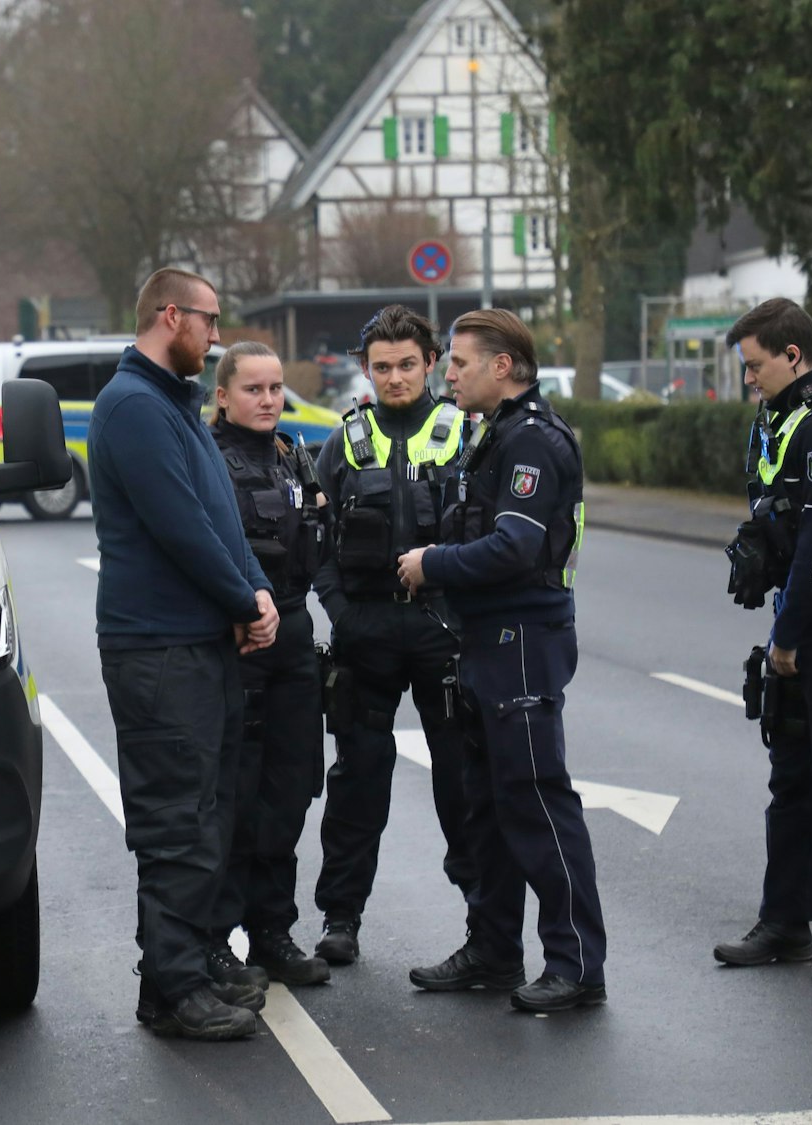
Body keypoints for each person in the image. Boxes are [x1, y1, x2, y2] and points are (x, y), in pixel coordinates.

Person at [89, 267, 281, 1042]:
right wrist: (244, 600)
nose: (216, 335)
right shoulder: (134, 406)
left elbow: (221, 519)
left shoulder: (172, 404)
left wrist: (256, 590)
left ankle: (196, 958)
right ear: (171, 316)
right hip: (159, 650)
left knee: (208, 814)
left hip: (197, 646)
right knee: (175, 822)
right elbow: (180, 528)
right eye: (209, 320)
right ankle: (171, 990)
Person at [398, 308, 607, 1013]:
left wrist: (432, 563)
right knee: (486, 805)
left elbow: (514, 547)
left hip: (524, 636)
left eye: (457, 362)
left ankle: (576, 964)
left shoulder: (532, 443)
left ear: (504, 366)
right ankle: (491, 949)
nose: (446, 373)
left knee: (536, 800)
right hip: (488, 638)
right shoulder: (491, 435)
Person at [307, 305, 474, 967]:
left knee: (463, 783)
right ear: (366, 369)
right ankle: (340, 918)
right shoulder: (343, 441)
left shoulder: (466, 432)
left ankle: (483, 922)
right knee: (357, 784)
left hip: (444, 634)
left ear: (431, 363)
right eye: (382, 367)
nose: (396, 378)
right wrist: (342, 613)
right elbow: (313, 539)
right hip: (367, 633)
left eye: (408, 365)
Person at [715, 298, 812, 978]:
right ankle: (784, 922)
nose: (750, 379)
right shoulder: (775, 420)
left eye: (755, 366)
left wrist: (785, 640)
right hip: (795, 616)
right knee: (792, 780)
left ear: (793, 356)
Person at [208, 341, 332, 987]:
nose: (267, 399)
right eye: (252, 388)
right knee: (238, 794)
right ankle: (220, 940)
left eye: (276, 388)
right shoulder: (209, 461)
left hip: (294, 636)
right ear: (223, 395)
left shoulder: (293, 457)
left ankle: (272, 932)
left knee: (288, 791)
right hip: (241, 641)